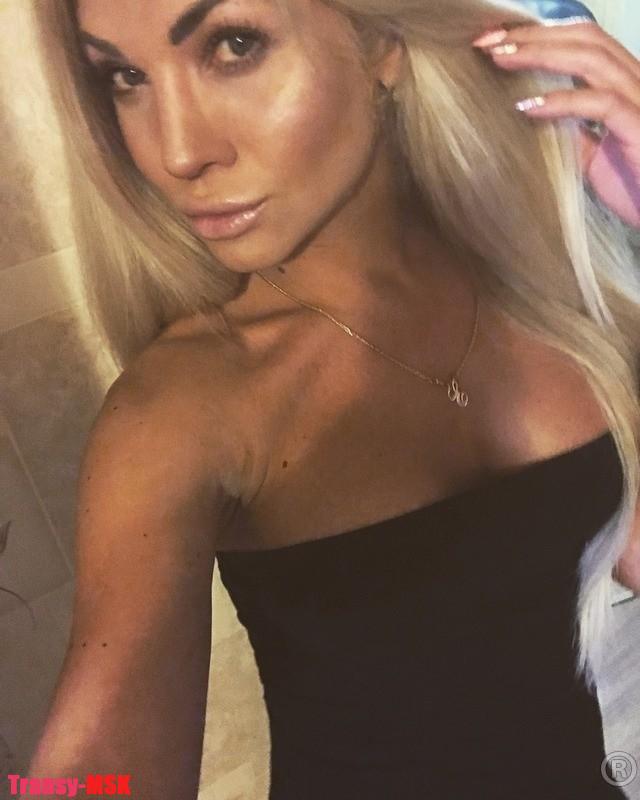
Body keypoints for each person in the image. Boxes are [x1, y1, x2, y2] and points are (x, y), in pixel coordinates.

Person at [23, 0, 640, 797]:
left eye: (234, 46)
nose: (178, 152)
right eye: (125, 77)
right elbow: (84, 779)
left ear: (382, 40)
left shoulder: (543, 285)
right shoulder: (182, 409)